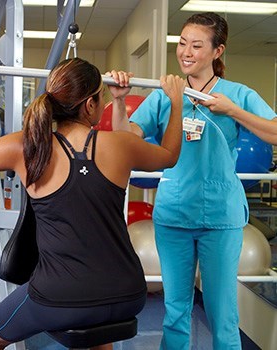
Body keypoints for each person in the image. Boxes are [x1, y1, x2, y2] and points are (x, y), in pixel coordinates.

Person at [0, 56, 186, 350]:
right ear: (90, 106)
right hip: (127, 294)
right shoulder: (122, 144)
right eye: (102, 98)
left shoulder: (26, 147)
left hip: (61, 297)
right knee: (97, 333)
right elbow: (170, 155)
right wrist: (177, 100)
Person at [109, 12, 277, 350]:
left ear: (218, 51)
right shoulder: (165, 95)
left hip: (221, 218)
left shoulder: (237, 94)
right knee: (175, 312)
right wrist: (117, 100)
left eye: (196, 45)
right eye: (182, 43)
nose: (186, 51)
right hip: (174, 214)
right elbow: (123, 139)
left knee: (223, 315)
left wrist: (232, 111)